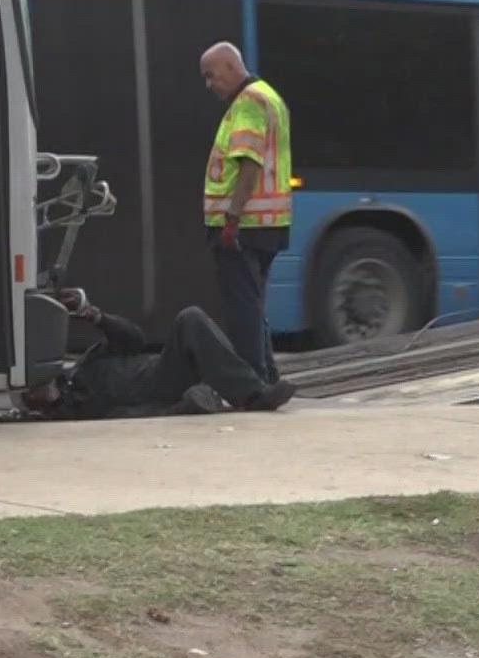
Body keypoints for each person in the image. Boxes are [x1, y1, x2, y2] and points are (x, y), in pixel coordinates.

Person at [18, 293, 297, 420]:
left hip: (163, 366)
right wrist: (177, 408)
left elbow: (133, 339)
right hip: (161, 386)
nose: (39, 394)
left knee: (192, 320)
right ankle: (253, 395)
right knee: (191, 318)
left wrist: (94, 315)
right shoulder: (79, 407)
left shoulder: (83, 367)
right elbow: (127, 413)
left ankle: (251, 388)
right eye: (34, 396)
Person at [199, 41, 293, 384]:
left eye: (211, 76)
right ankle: (267, 375)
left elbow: (249, 162)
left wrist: (232, 220)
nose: (210, 84)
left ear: (229, 66)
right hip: (269, 222)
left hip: (245, 225)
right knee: (253, 304)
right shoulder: (270, 96)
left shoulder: (249, 101)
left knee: (243, 307)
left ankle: (252, 381)